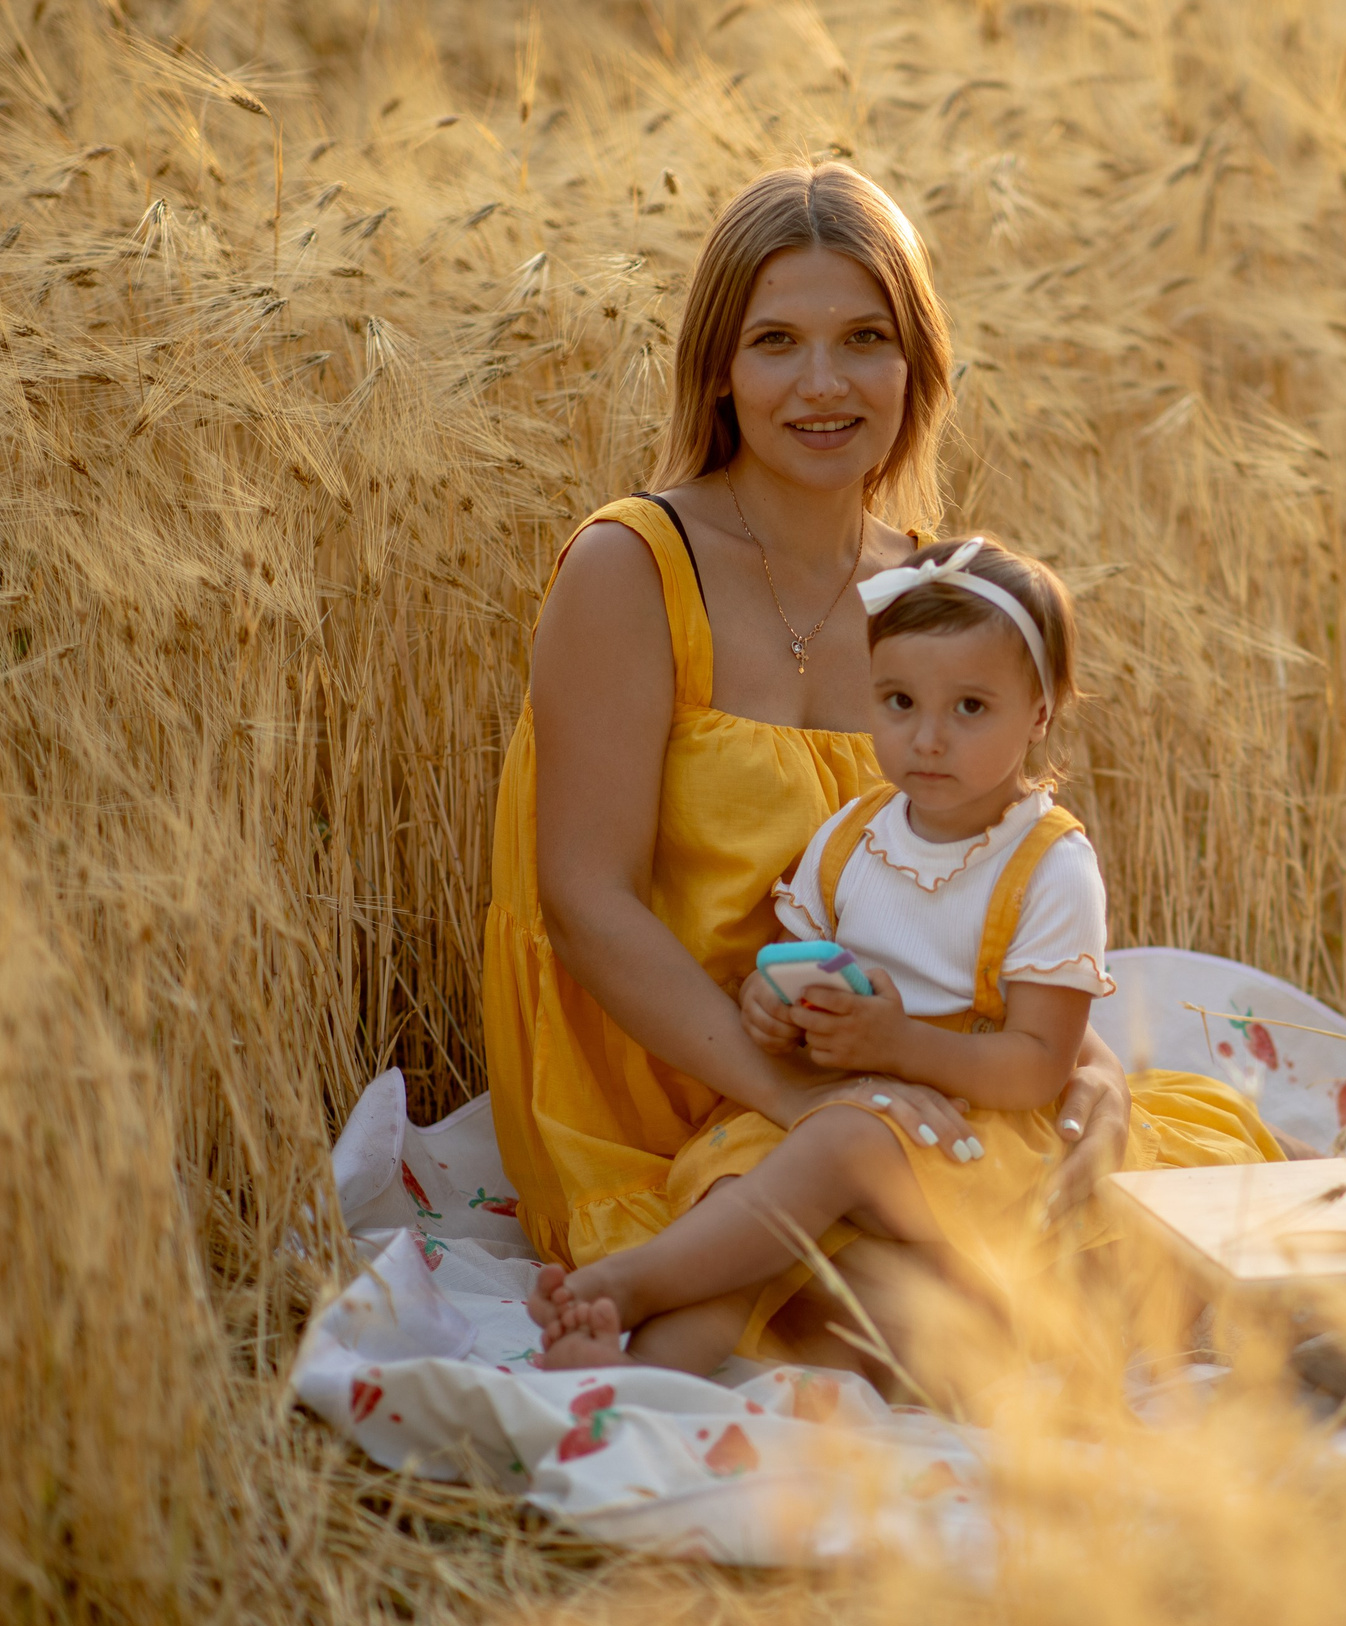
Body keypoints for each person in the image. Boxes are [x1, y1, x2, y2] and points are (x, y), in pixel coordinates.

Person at [484, 163, 1282, 1385]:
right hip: (701, 1079)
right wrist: (802, 1105)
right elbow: (585, 903)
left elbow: (1005, 883)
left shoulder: (940, 595)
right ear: (719, 369)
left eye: (864, 339)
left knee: (1140, 1219)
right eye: (776, 342)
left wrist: (1089, 1069)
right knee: (943, 1316)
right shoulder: (632, 565)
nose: (822, 383)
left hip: (913, 1070)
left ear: (916, 365)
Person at [531, 536, 1138, 1370]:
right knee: (745, 1213)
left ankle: (627, 1284)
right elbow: (783, 961)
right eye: (898, 702)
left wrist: (898, 1048)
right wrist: (769, 1007)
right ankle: (639, 1370)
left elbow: (1039, 1063)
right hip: (845, 1094)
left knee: (840, 1144)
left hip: (975, 1130)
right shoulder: (852, 837)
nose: (927, 739)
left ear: (1038, 714)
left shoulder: (1051, 867)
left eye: (970, 708)